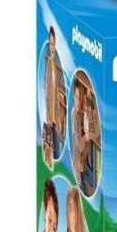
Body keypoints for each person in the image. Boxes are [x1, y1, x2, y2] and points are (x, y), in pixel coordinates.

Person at [44, 27, 65, 159]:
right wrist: (48, 113)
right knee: (53, 151)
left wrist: (59, 116)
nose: (52, 47)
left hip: (57, 115)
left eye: (54, 43)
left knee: (57, 151)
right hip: (52, 116)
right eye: (51, 43)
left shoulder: (58, 63)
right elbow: (48, 90)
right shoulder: (49, 63)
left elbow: (58, 90)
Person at [71, 81, 90, 186]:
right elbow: (79, 145)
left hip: (78, 163)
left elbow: (82, 113)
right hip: (76, 166)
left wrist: (87, 98)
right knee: (78, 185)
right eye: (76, 97)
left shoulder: (76, 113)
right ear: (73, 96)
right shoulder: (74, 116)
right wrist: (85, 137)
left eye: (80, 97)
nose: (78, 101)